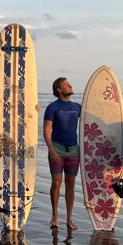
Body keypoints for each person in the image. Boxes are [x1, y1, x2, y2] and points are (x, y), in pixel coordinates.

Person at [43, 77, 81, 230]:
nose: (70, 85)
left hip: (73, 150)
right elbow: (46, 131)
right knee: (56, 183)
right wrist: (51, 150)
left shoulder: (77, 107)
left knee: (70, 185)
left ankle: (69, 218)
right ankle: (55, 214)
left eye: (70, 84)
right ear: (59, 89)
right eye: (66, 84)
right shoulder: (52, 107)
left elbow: (93, 120)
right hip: (57, 148)